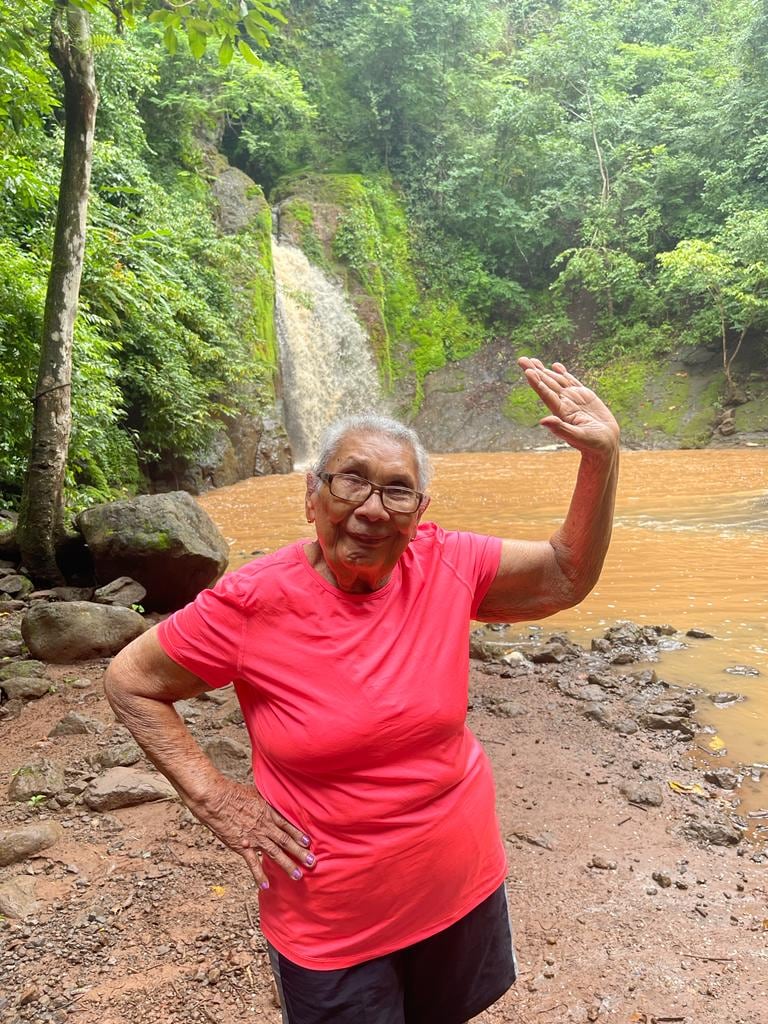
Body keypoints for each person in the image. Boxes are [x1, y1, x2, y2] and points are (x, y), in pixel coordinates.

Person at [104, 357, 620, 1024]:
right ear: (312, 495)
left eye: (397, 491)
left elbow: (565, 575)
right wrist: (218, 799)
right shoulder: (252, 600)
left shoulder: (448, 563)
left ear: (419, 511)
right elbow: (131, 681)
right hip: (332, 918)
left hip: (458, 882)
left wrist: (601, 459)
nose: (372, 510)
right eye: (352, 481)